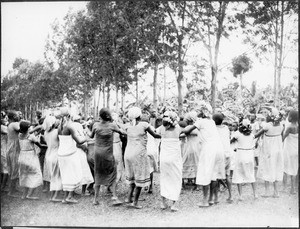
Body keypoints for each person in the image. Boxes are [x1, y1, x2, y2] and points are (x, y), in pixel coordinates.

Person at [182, 102, 224, 207]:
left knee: (205, 173)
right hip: (218, 148)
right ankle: (211, 199)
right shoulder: (211, 122)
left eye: (198, 111)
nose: (197, 113)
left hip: (208, 149)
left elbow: (188, 130)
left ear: (203, 112)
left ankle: (205, 201)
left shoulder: (201, 121)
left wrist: (178, 130)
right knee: (213, 175)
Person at [124, 107, 161, 209]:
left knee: (132, 177)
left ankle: (129, 198)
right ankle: (135, 202)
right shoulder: (144, 125)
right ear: (140, 115)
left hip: (128, 154)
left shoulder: (128, 126)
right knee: (140, 177)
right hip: (138, 154)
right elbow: (155, 135)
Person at [88, 108, 124, 206]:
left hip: (97, 153)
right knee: (112, 172)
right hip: (107, 153)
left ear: (100, 115)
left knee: (98, 173)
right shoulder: (112, 125)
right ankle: (114, 197)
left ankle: (95, 199)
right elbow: (122, 132)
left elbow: (91, 136)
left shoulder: (95, 125)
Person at [57, 107, 86, 204]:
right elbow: (79, 141)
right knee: (72, 174)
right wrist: (86, 137)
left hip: (61, 153)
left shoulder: (59, 126)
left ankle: (65, 197)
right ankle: (69, 196)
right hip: (70, 153)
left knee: (65, 175)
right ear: (70, 116)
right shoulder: (70, 126)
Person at [256, 108, 284, 198]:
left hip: (268, 150)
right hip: (278, 150)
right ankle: (276, 192)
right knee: (276, 167)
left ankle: (267, 192)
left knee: (267, 167)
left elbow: (257, 134)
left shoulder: (267, 125)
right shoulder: (281, 125)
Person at [157, 111, 182, 212]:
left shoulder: (161, 128)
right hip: (174, 157)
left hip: (164, 157)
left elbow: (155, 133)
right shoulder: (178, 128)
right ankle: (174, 204)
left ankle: (163, 202)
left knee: (164, 177)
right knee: (176, 178)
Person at [231, 119, 257, 200]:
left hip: (241, 155)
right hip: (249, 155)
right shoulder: (252, 135)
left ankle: (240, 196)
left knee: (239, 173)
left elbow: (231, 141)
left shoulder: (237, 134)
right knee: (251, 173)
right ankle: (255, 194)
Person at [18, 120, 44, 200]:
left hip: (22, 155)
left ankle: (24, 194)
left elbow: (31, 136)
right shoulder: (31, 136)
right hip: (30, 156)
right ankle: (30, 194)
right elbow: (40, 145)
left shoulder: (20, 135)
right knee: (35, 174)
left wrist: (39, 131)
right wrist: (49, 146)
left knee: (25, 174)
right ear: (27, 128)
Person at [213, 113, 233, 203]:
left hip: (220, 154)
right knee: (228, 175)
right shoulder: (226, 128)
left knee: (216, 176)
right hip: (228, 153)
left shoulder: (213, 129)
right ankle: (230, 196)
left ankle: (216, 198)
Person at [72, 114, 94, 196]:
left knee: (77, 170)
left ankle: (75, 190)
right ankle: (83, 191)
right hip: (79, 152)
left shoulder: (73, 128)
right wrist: (84, 147)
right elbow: (79, 143)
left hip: (75, 152)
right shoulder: (78, 128)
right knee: (84, 170)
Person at [43, 115, 63, 202]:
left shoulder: (45, 133)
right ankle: (55, 196)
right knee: (57, 176)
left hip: (48, 154)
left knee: (52, 176)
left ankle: (52, 195)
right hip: (56, 154)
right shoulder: (56, 131)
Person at [182, 111, 201, 189]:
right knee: (197, 163)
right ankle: (197, 184)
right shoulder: (197, 127)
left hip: (189, 146)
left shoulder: (187, 128)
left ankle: (182, 184)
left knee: (185, 162)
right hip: (196, 146)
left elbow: (184, 134)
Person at [282, 110, 298, 194]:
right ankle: (293, 189)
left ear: (291, 117)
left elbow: (283, 138)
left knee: (285, 168)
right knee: (294, 168)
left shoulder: (289, 127)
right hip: (296, 150)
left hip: (288, 150)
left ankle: (284, 188)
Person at [6, 110, 21, 197]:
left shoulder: (10, 124)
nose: (18, 116)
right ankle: (11, 192)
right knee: (14, 169)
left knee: (13, 169)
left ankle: (13, 189)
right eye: (16, 115)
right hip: (14, 149)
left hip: (11, 148)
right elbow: (22, 130)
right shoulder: (14, 124)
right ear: (13, 117)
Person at [1, 111, 9, 191]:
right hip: (3, 149)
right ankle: (3, 187)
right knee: (5, 169)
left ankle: (3, 185)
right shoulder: (2, 127)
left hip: (3, 148)